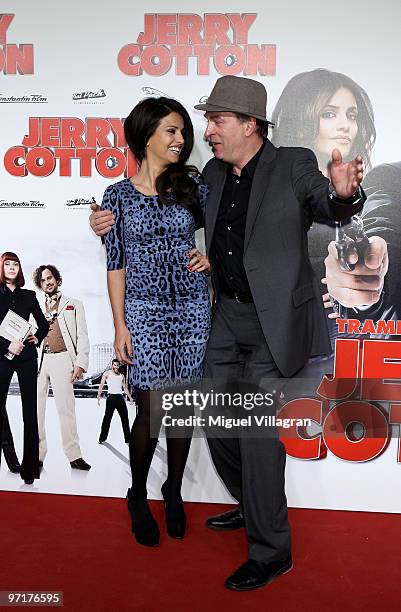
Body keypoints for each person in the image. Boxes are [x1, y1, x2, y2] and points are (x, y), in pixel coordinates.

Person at [90, 75, 365, 590]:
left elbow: (325, 203)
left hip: (271, 323)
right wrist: (105, 219)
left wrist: (345, 194)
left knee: (257, 436)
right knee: (214, 421)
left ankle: (271, 550)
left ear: (248, 124)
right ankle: (252, 503)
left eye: (216, 121)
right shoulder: (210, 174)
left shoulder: (293, 164)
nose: (207, 131)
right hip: (223, 318)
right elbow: (157, 206)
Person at [99, 96, 211, 546]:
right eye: (171, 130)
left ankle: (174, 490)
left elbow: (225, 233)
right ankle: (137, 493)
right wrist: (120, 325)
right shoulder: (116, 197)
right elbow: (116, 263)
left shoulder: (193, 186)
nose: (181, 140)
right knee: (151, 408)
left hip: (190, 307)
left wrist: (209, 259)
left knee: (182, 405)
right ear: (145, 135)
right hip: (143, 311)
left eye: (183, 131)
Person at [271, 68, 388, 325]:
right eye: (329, 114)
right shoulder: (277, 190)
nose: (346, 125)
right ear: (301, 121)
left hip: (350, 329)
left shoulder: (365, 192)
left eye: (352, 115)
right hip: (293, 329)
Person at [33, 265, 91, 471]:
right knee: (35, 410)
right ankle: (36, 455)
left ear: (57, 279)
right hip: (39, 361)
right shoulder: (35, 306)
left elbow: (82, 336)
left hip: (63, 359)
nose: (47, 282)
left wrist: (80, 363)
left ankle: (74, 456)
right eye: (43, 280)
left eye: (50, 278)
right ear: (39, 285)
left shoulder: (74, 304)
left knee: (66, 409)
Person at [0, 252, 49, 485]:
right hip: (2, 355)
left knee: (30, 411)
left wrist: (35, 337)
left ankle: (29, 470)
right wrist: (7, 344)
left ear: (19, 270)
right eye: (7, 264)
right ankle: (9, 460)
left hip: (27, 356)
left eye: (15, 264)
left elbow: (43, 324)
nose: (12, 267)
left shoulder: (29, 295)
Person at [97, 359, 133, 444]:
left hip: (120, 398)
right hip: (111, 398)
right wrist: (98, 395)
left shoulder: (122, 376)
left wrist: (130, 397)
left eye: (117, 365)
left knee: (125, 419)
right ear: (112, 365)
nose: (116, 367)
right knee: (107, 419)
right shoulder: (107, 373)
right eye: (115, 365)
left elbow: (125, 388)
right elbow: (101, 384)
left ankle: (128, 439)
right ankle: (102, 439)